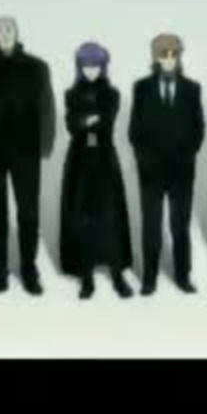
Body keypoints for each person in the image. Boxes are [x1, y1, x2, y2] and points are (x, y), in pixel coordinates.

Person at [0, 16, 56, 295]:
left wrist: (44, 145)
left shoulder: (37, 67)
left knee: (28, 211)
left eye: (9, 29)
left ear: (17, 33)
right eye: (0, 30)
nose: (4, 33)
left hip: (26, 149)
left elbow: (47, 107)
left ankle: (29, 270)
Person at [128, 33, 205, 295]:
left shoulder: (192, 89)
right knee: (151, 225)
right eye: (164, 54)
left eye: (174, 54)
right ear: (155, 57)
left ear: (179, 56)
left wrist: (187, 156)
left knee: (180, 225)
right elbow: (134, 131)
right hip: (150, 171)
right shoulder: (141, 88)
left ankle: (183, 277)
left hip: (182, 170)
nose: (170, 59)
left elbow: (198, 129)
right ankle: (149, 279)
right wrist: (145, 161)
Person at [59, 42, 134, 299]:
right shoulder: (70, 94)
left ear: (103, 67)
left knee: (110, 217)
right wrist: (87, 120)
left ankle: (117, 275)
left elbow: (105, 122)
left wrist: (85, 120)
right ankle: (86, 278)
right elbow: (72, 126)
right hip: (79, 161)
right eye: (86, 65)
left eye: (96, 65)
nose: (91, 70)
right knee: (82, 217)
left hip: (104, 160)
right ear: (79, 67)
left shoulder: (112, 93)